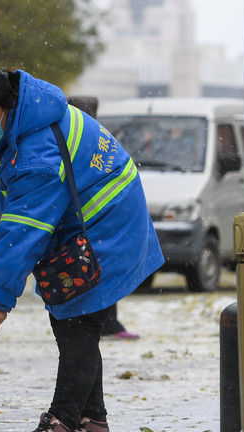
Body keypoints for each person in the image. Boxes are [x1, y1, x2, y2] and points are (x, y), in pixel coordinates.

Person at [0, 67, 164, 432]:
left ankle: (61, 427)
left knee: (78, 323)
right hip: (91, 220)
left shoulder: (36, 151)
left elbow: (23, 230)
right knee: (74, 319)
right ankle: (93, 425)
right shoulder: (30, 115)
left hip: (107, 224)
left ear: (6, 106)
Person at [66, 96, 140, 341]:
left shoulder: (89, 135)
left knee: (99, 273)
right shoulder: (89, 138)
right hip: (93, 220)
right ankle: (103, 323)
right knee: (99, 274)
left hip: (95, 219)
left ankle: (104, 322)